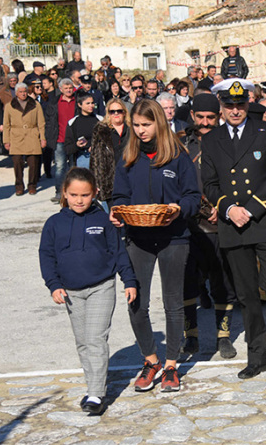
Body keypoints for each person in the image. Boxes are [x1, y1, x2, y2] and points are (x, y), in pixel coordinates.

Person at [200, 79, 266, 379]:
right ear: (221, 107)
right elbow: (210, 183)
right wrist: (229, 209)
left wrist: (251, 209)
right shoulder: (211, 140)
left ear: (248, 104)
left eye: (240, 105)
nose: (235, 110)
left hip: (264, 221)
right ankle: (257, 356)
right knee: (247, 294)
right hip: (233, 226)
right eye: (229, 105)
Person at [110, 98, 200, 393]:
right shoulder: (128, 156)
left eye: (146, 125)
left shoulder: (178, 156)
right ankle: (151, 360)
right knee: (137, 302)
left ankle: (172, 365)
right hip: (138, 237)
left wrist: (179, 209)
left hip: (174, 237)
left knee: (173, 303)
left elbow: (192, 197)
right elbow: (119, 194)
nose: (140, 131)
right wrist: (119, 211)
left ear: (158, 123)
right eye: (135, 125)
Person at [39, 168, 138, 416]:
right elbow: (47, 257)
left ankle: (96, 394)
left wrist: (129, 280)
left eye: (85, 195)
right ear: (64, 193)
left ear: (95, 193)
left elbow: (118, 252)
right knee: (83, 342)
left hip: (101, 287)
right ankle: (92, 386)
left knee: (95, 338)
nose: (79, 200)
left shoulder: (104, 220)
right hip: (71, 292)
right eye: (74, 195)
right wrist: (54, 285)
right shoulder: (53, 224)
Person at [180, 93, 239, 359]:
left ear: (219, 116)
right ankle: (190, 337)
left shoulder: (230, 141)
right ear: (193, 116)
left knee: (222, 282)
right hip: (187, 225)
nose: (205, 123)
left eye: (210, 118)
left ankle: (223, 336)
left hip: (219, 222)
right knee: (187, 283)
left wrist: (224, 207)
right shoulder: (179, 143)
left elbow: (240, 179)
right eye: (200, 117)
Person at [3, 83, 46, 196]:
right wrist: (6, 140)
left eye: (25, 91)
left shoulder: (35, 105)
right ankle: (19, 186)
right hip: (16, 137)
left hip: (32, 135)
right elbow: (6, 124)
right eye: (21, 92)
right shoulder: (9, 106)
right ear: (16, 93)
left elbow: (41, 123)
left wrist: (42, 138)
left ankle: (32, 185)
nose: (23, 94)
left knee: (33, 163)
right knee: (17, 162)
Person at [91, 98, 130, 209]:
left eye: (119, 110)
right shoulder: (100, 129)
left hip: (130, 177)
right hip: (109, 180)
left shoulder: (132, 128)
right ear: (108, 113)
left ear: (124, 112)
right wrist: (95, 182)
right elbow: (94, 158)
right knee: (114, 215)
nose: (116, 114)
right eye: (112, 111)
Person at [45, 79, 78, 202]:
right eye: (66, 88)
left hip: (74, 140)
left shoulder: (78, 102)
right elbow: (49, 122)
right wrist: (49, 137)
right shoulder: (54, 102)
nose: (69, 90)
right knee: (60, 167)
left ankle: (74, 192)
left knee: (73, 167)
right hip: (59, 139)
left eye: (70, 88)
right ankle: (59, 192)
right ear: (61, 89)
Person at [65, 91, 102, 169]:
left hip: (99, 157)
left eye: (92, 103)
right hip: (82, 157)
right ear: (79, 104)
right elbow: (67, 147)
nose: (91, 105)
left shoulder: (100, 120)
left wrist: (96, 146)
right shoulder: (73, 122)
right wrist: (77, 145)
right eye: (87, 103)